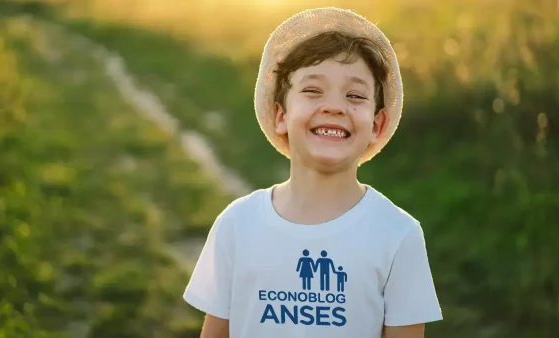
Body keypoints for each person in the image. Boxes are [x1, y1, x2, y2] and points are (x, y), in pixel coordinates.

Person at [183, 7, 442, 338]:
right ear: (280, 116)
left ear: (377, 124)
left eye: (355, 95)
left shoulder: (398, 236)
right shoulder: (236, 225)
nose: (334, 106)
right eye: (312, 90)